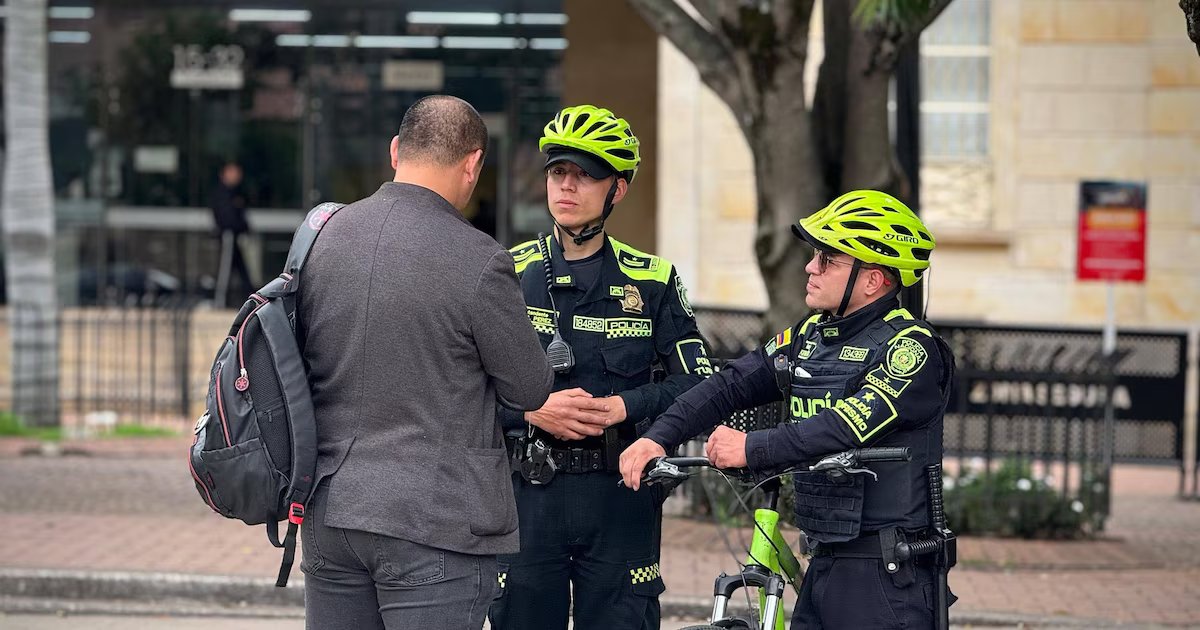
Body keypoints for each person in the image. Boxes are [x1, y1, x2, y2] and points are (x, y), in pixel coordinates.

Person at [620, 190, 955, 630]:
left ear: (873, 280)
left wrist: (751, 447)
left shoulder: (911, 349)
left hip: (887, 574)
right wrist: (656, 436)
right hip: (824, 558)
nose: (810, 267)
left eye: (828, 260)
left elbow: (843, 426)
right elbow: (729, 385)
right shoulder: (811, 336)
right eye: (815, 256)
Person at [296, 95, 554, 630]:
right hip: (436, 524)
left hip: (330, 512)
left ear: (396, 151)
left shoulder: (322, 240)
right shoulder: (479, 259)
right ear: (473, 164)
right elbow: (530, 389)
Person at [488, 104, 714, 630]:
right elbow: (459, 385)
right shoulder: (505, 273)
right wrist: (530, 414)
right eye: (558, 172)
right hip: (526, 497)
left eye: (586, 175)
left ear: (619, 188)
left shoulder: (654, 281)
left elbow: (700, 384)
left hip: (622, 497)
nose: (567, 186)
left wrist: (623, 407)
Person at [210, 161, 254, 306]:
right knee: (226, 268)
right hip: (228, 235)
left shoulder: (237, 192)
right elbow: (226, 217)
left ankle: (251, 300)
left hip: (235, 236)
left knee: (241, 269)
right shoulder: (222, 193)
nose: (236, 176)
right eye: (232, 172)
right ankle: (220, 300)